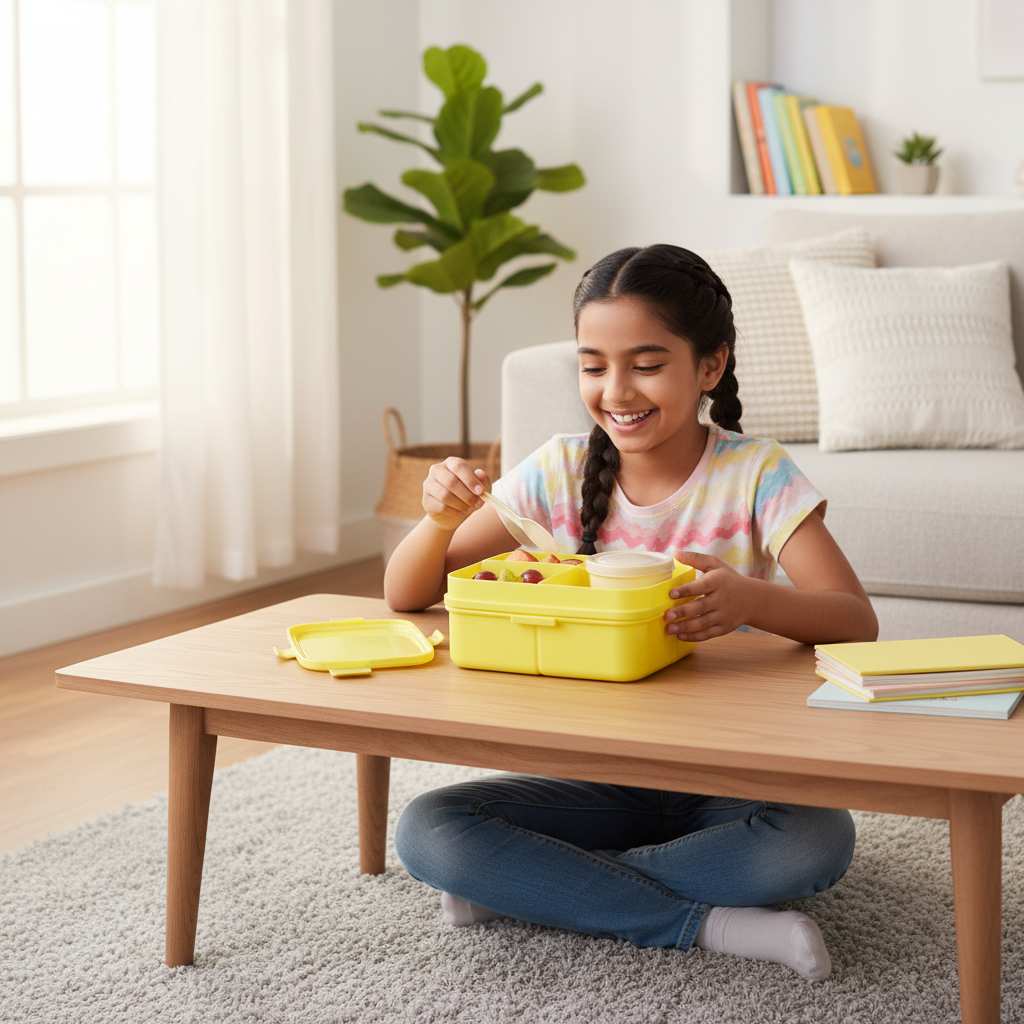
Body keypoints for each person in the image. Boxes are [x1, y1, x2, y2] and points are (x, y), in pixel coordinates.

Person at [384, 244, 878, 981]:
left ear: (710, 366)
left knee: (815, 841)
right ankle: (705, 923)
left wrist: (752, 600)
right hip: (598, 775)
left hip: (729, 773)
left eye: (646, 363)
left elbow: (854, 620)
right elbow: (405, 594)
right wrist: (437, 521)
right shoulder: (558, 468)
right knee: (430, 830)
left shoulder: (755, 472)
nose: (617, 389)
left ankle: (537, 886)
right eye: (593, 364)